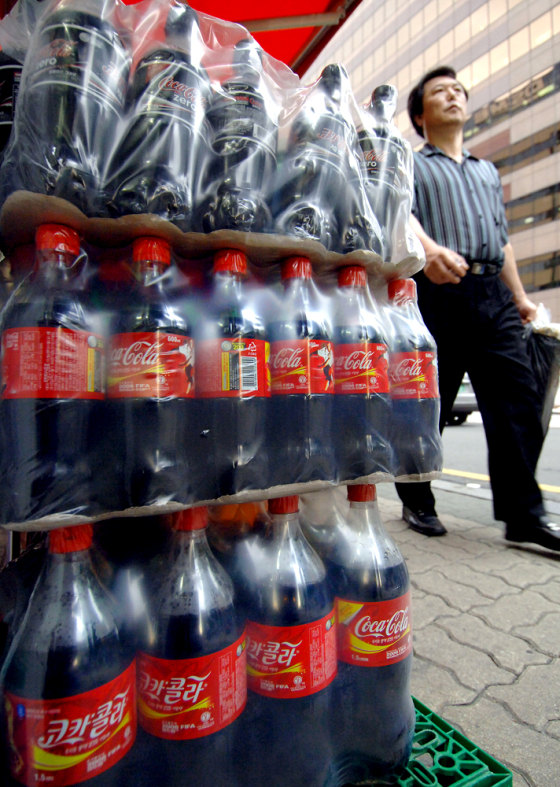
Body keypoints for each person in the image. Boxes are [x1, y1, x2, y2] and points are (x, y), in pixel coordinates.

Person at [395, 66, 560, 552]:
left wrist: (521, 296)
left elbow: (502, 239)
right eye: (440, 92)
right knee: (432, 404)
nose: (453, 95)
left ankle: (523, 517)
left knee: (521, 401)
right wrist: (427, 250)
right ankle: (417, 499)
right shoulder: (410, 162)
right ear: (421, 114)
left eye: (458, 90)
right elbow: (399, 212)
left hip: (494, 298)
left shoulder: (487, 171)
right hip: (438, 293)